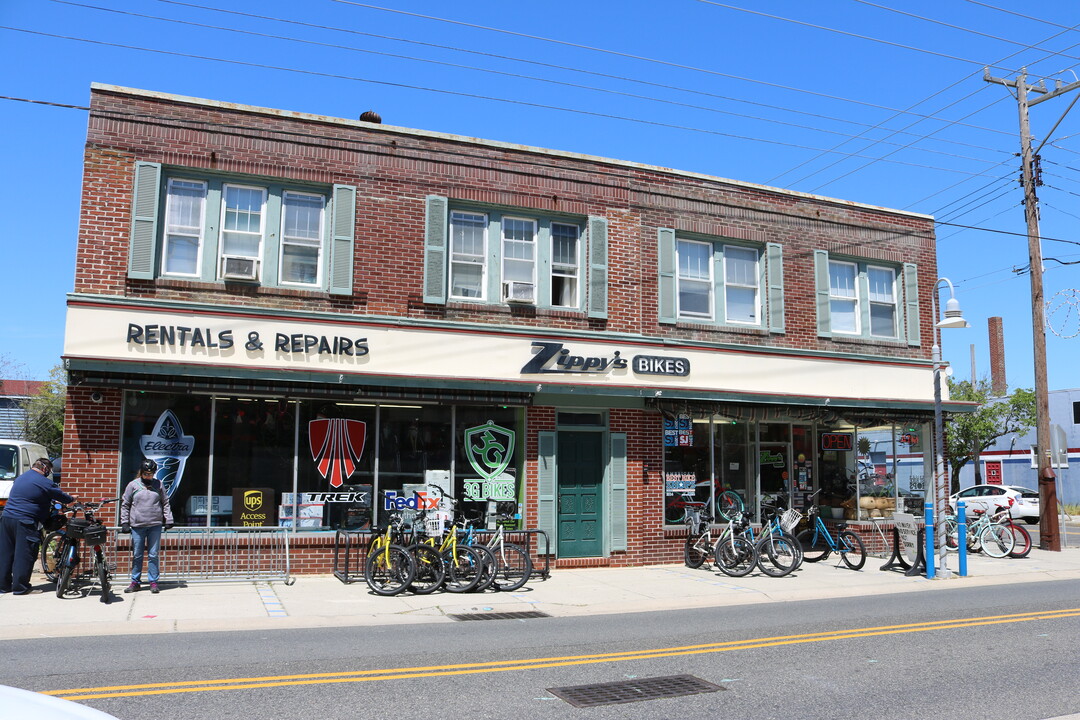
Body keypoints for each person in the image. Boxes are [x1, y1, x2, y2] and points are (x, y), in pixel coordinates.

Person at [0, 458, 73, 595]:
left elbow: (34, 495)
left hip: (7, 519)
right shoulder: (44, 481)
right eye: (49, 471)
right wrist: (72, 499)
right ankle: (21, 588)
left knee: (6, 553)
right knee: (25, 554)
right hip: (25, 521)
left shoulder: (21, 478)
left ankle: (3, 586)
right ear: (45, 469)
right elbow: (63, 497)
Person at [119, 459, 174, 594]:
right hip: (138, 525)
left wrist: (169, 519)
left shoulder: (158, 484)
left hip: (155, 525)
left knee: (153, 555)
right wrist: (124, 522)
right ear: (141, 473)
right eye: (145, 474)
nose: (148, 476)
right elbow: (125, 504)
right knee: (137, 555)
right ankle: (135, 582)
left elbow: (165, 502)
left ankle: (153, 582)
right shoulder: (133, 485)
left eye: (150, 474)